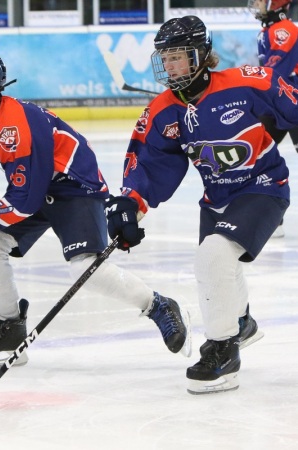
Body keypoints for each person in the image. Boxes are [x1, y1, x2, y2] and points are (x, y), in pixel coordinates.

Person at [0, 51, 192, 369]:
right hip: (40, 187)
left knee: (86, 269)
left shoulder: (14, 125)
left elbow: (24, 199)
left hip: (75, 189)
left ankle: (157, 305)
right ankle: (10, 329)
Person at [106, 15, 297, 394]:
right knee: (218, 269)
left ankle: (224, 349)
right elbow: (150, 164)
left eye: (180, 57)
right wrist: (130, 204)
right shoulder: (164, 111)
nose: (172, 66)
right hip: (216, 200)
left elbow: (291, 105)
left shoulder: (245, 82)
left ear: (203, 54)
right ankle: (240, 322)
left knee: (213, 257)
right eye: (167, 58)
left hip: (262, 186)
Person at [248, 0, 298, 237]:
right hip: (280, 104)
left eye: (260, 0)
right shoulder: (266, 31)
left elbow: (274, 69)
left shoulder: (284, 29)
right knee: (258, 155)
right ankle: (272, 219)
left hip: (294, 102)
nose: (255, 4)